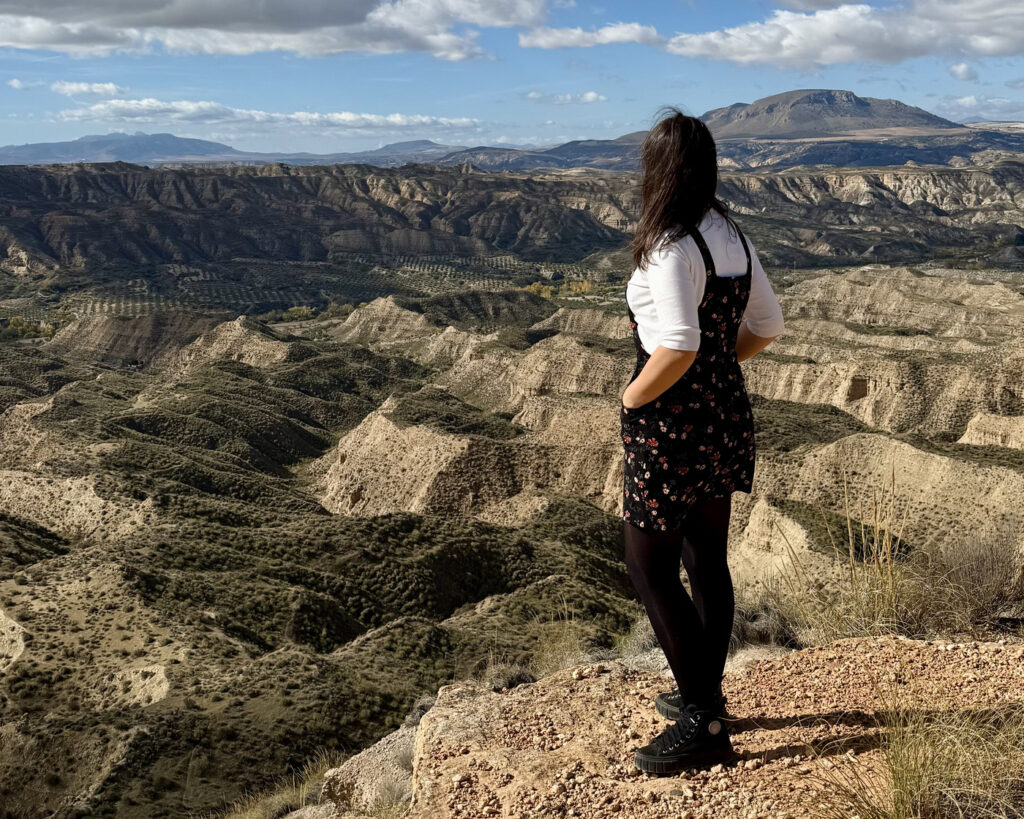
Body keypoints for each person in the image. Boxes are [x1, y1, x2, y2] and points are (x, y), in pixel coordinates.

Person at [619, 106, 785, 775]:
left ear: (658, 171)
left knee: (648, 566)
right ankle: (704, 694)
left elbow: (679, 342)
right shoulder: (730, 237)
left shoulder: (668, 243)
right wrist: (721, 365)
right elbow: (768, 323)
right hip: (722, 416)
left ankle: (704, 720)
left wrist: (632, 396)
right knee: (705, 558)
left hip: (670, 422)